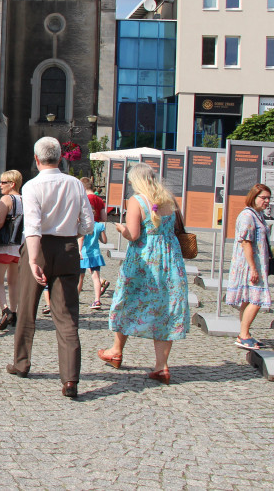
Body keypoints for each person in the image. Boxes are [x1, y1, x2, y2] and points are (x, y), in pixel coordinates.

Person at [7, 136, 94, 399]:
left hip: (40, 248)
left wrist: (33, 260)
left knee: (27, 307)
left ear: (36, 159)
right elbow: (88, 224)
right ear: (61, 158)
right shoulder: (76, 185)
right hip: (67, 248)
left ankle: (22, 363)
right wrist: (70, 232)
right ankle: (70, 379)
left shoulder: (32, 187)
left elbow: (32, 226)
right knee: (67, 315)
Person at [97, 164, 190, 385]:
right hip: (170, 259)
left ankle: (116, 351)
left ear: (136, 181)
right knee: (166, 307)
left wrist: (121, 229)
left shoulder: (137, 201)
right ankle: (161, 366)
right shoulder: (169, 199)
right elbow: (178, 227)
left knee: (127, 300)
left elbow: (134, 235)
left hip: (144, 260)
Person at [224, 184, 273, 350]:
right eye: (263, 198)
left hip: (255, 263)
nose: (267, 201)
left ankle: (244, 333)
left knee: (247, 298)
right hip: (249, 264)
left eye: (268, 198)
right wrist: (253, 268)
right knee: (257, 299)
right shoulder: (247, 215)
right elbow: (246, 243)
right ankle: (243, 334)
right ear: (254, 197)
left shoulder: (257, 215)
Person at [0, 170, 23, 331]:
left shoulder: (6, 199)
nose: (0, 185)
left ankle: (5, 309)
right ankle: (15, 312)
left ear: (12, 184)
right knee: (14, 282)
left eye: (3, 182)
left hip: (3, 245)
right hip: (19, 246)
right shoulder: (26, 199)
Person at [79, 220, 108, 310]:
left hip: (84, 254)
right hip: (95, 254)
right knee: (96, 278)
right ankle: (97, 300)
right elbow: (104, 241)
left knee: (80, 277)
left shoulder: (82, 226)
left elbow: (81, 239)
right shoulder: (99, 226)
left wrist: (79, 251)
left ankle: (75, 298)